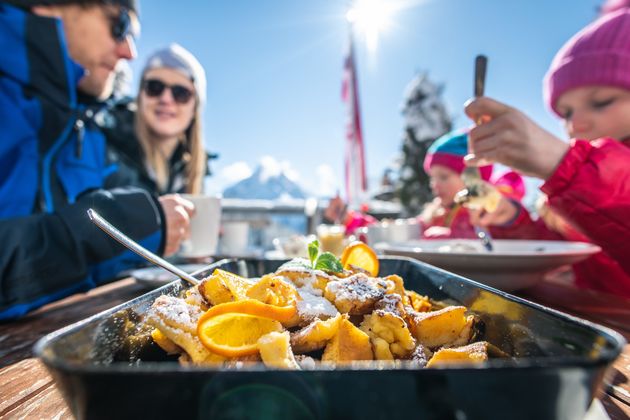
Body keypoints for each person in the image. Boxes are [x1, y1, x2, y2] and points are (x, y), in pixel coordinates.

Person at [0, 0, 194, 320]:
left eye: (182, 93)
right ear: (47, 6)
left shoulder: (83, 126)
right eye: (119, 26)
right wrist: (124, 228)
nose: (129, 52)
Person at [464, 5, 630, 297]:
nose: (576, 123)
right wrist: (510, 218)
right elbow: (556, 246)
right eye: (565, 113)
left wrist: (567, 166)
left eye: (602, 101)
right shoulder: (570, 196)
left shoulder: (575, 177)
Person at [102, 44, 209, 195]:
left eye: (181, 93)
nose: (166, 99)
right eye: (154, 87)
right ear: (140, 97)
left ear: (195, 109)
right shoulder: (101, 146)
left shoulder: (190, 173)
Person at [419, 129, 534, 239]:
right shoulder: (438, 212)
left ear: (473, 178)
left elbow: (524, 233)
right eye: (432, 179)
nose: (435, 185)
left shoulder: (489, 209)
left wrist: (450, 238)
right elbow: (421, 225)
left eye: (443, 177)